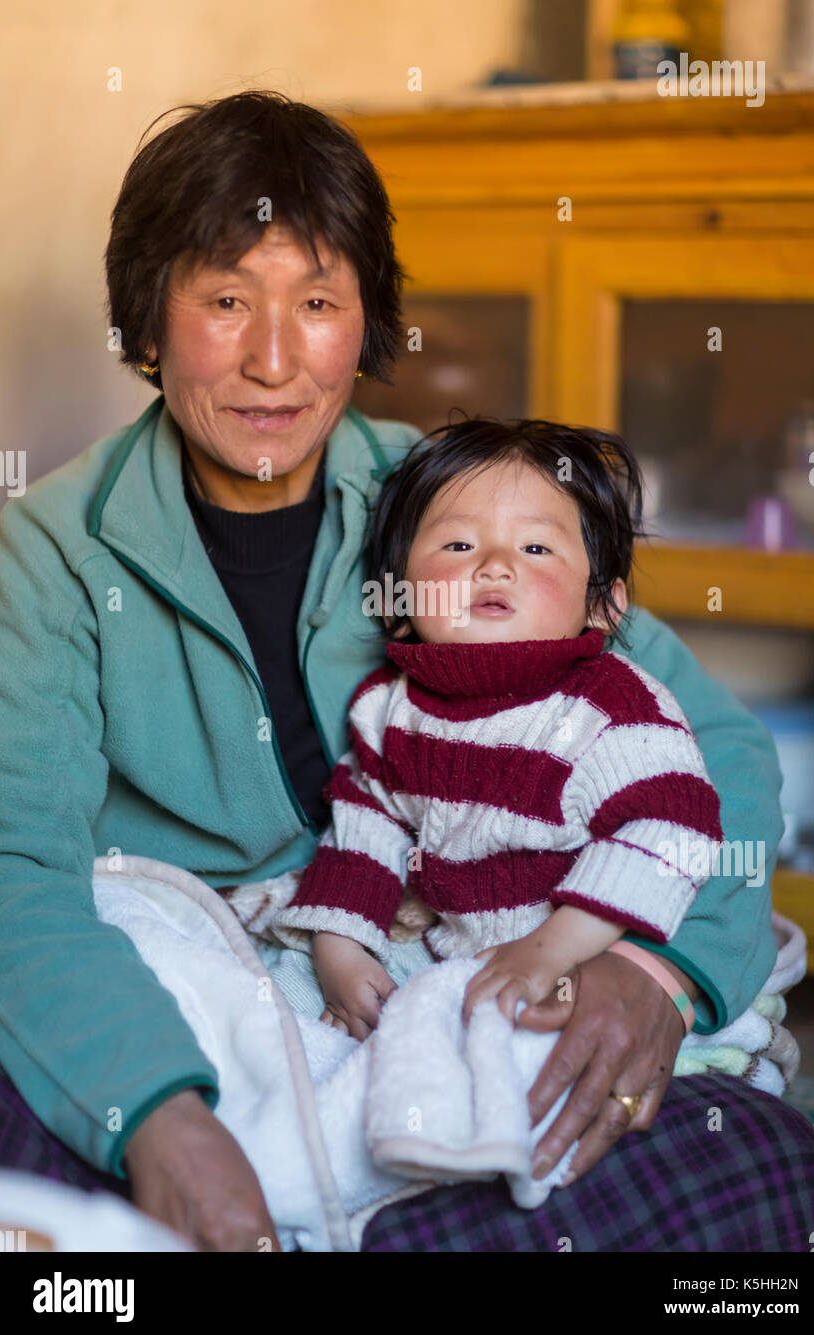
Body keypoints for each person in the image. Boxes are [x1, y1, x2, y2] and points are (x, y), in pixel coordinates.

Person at [0, 90, 814, 1252]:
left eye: (319, 303)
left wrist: (656, 973)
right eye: (226, 300)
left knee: (751, 1161)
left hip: (448, 976)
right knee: (28, 1082)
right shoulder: (53, 548)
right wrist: (159, 1120)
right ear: (148, 315)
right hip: (211, 995)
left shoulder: (459, 503)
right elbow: (16, 867)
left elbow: (716, 751)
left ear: (366, 320)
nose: (274, 359)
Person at [274, 418, 722, 1046]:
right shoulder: (387, 709)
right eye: (458, 546)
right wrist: (340, 952)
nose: (494, 567)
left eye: (535, 549)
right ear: (399, 598)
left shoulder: (612, 710)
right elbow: (364, 834)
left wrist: (549, 952)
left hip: (590, 959)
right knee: (287, 1011)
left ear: (601, 605)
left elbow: (672, 831)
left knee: (528, 1068)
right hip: (447, 952)